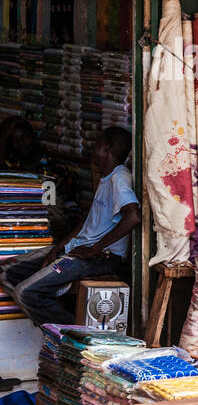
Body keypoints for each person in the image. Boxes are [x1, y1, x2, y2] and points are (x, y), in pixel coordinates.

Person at [0, 127, 138, 327]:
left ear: (107, 148)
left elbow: (133, 216)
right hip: (78, 249)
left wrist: (95, 248)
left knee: (26, 293)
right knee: (7, 273)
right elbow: (87, 222)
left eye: (97, 144)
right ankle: (51, 319)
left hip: (100, 258)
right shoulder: (106, 179)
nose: (93, 148)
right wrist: (57, 248)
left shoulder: (120, 177)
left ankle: (75, 337)